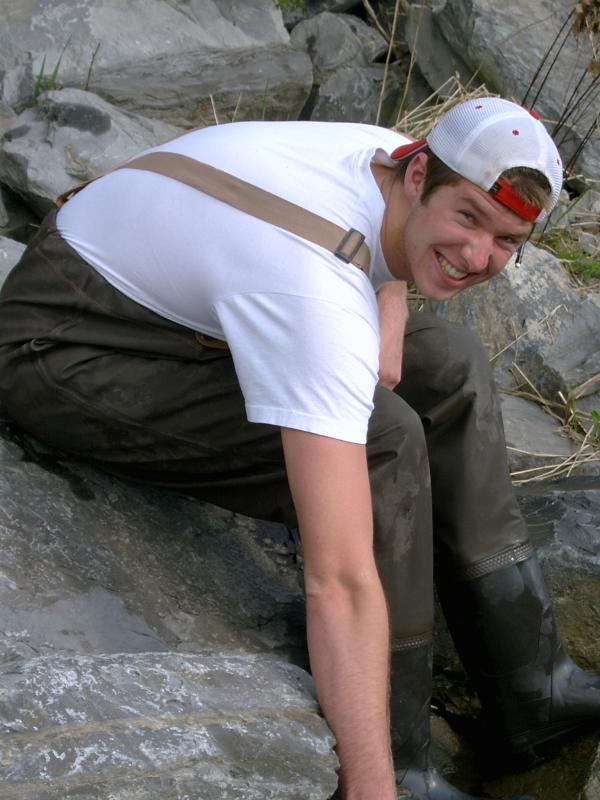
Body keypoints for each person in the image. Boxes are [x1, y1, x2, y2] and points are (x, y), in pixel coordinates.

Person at [0, 96, 597, 800]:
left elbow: (380, 243)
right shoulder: (314, 294)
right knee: (384, 441)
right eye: (466, 218)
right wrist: (368, 788)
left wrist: (392, 297)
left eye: (506, 241)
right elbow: (338, 582)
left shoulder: (389, 154)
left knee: (456, 363)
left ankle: (536, 690)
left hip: (169, 303)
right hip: (65, 346)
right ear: (417, 177)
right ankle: (402, 767)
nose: (476, 257)